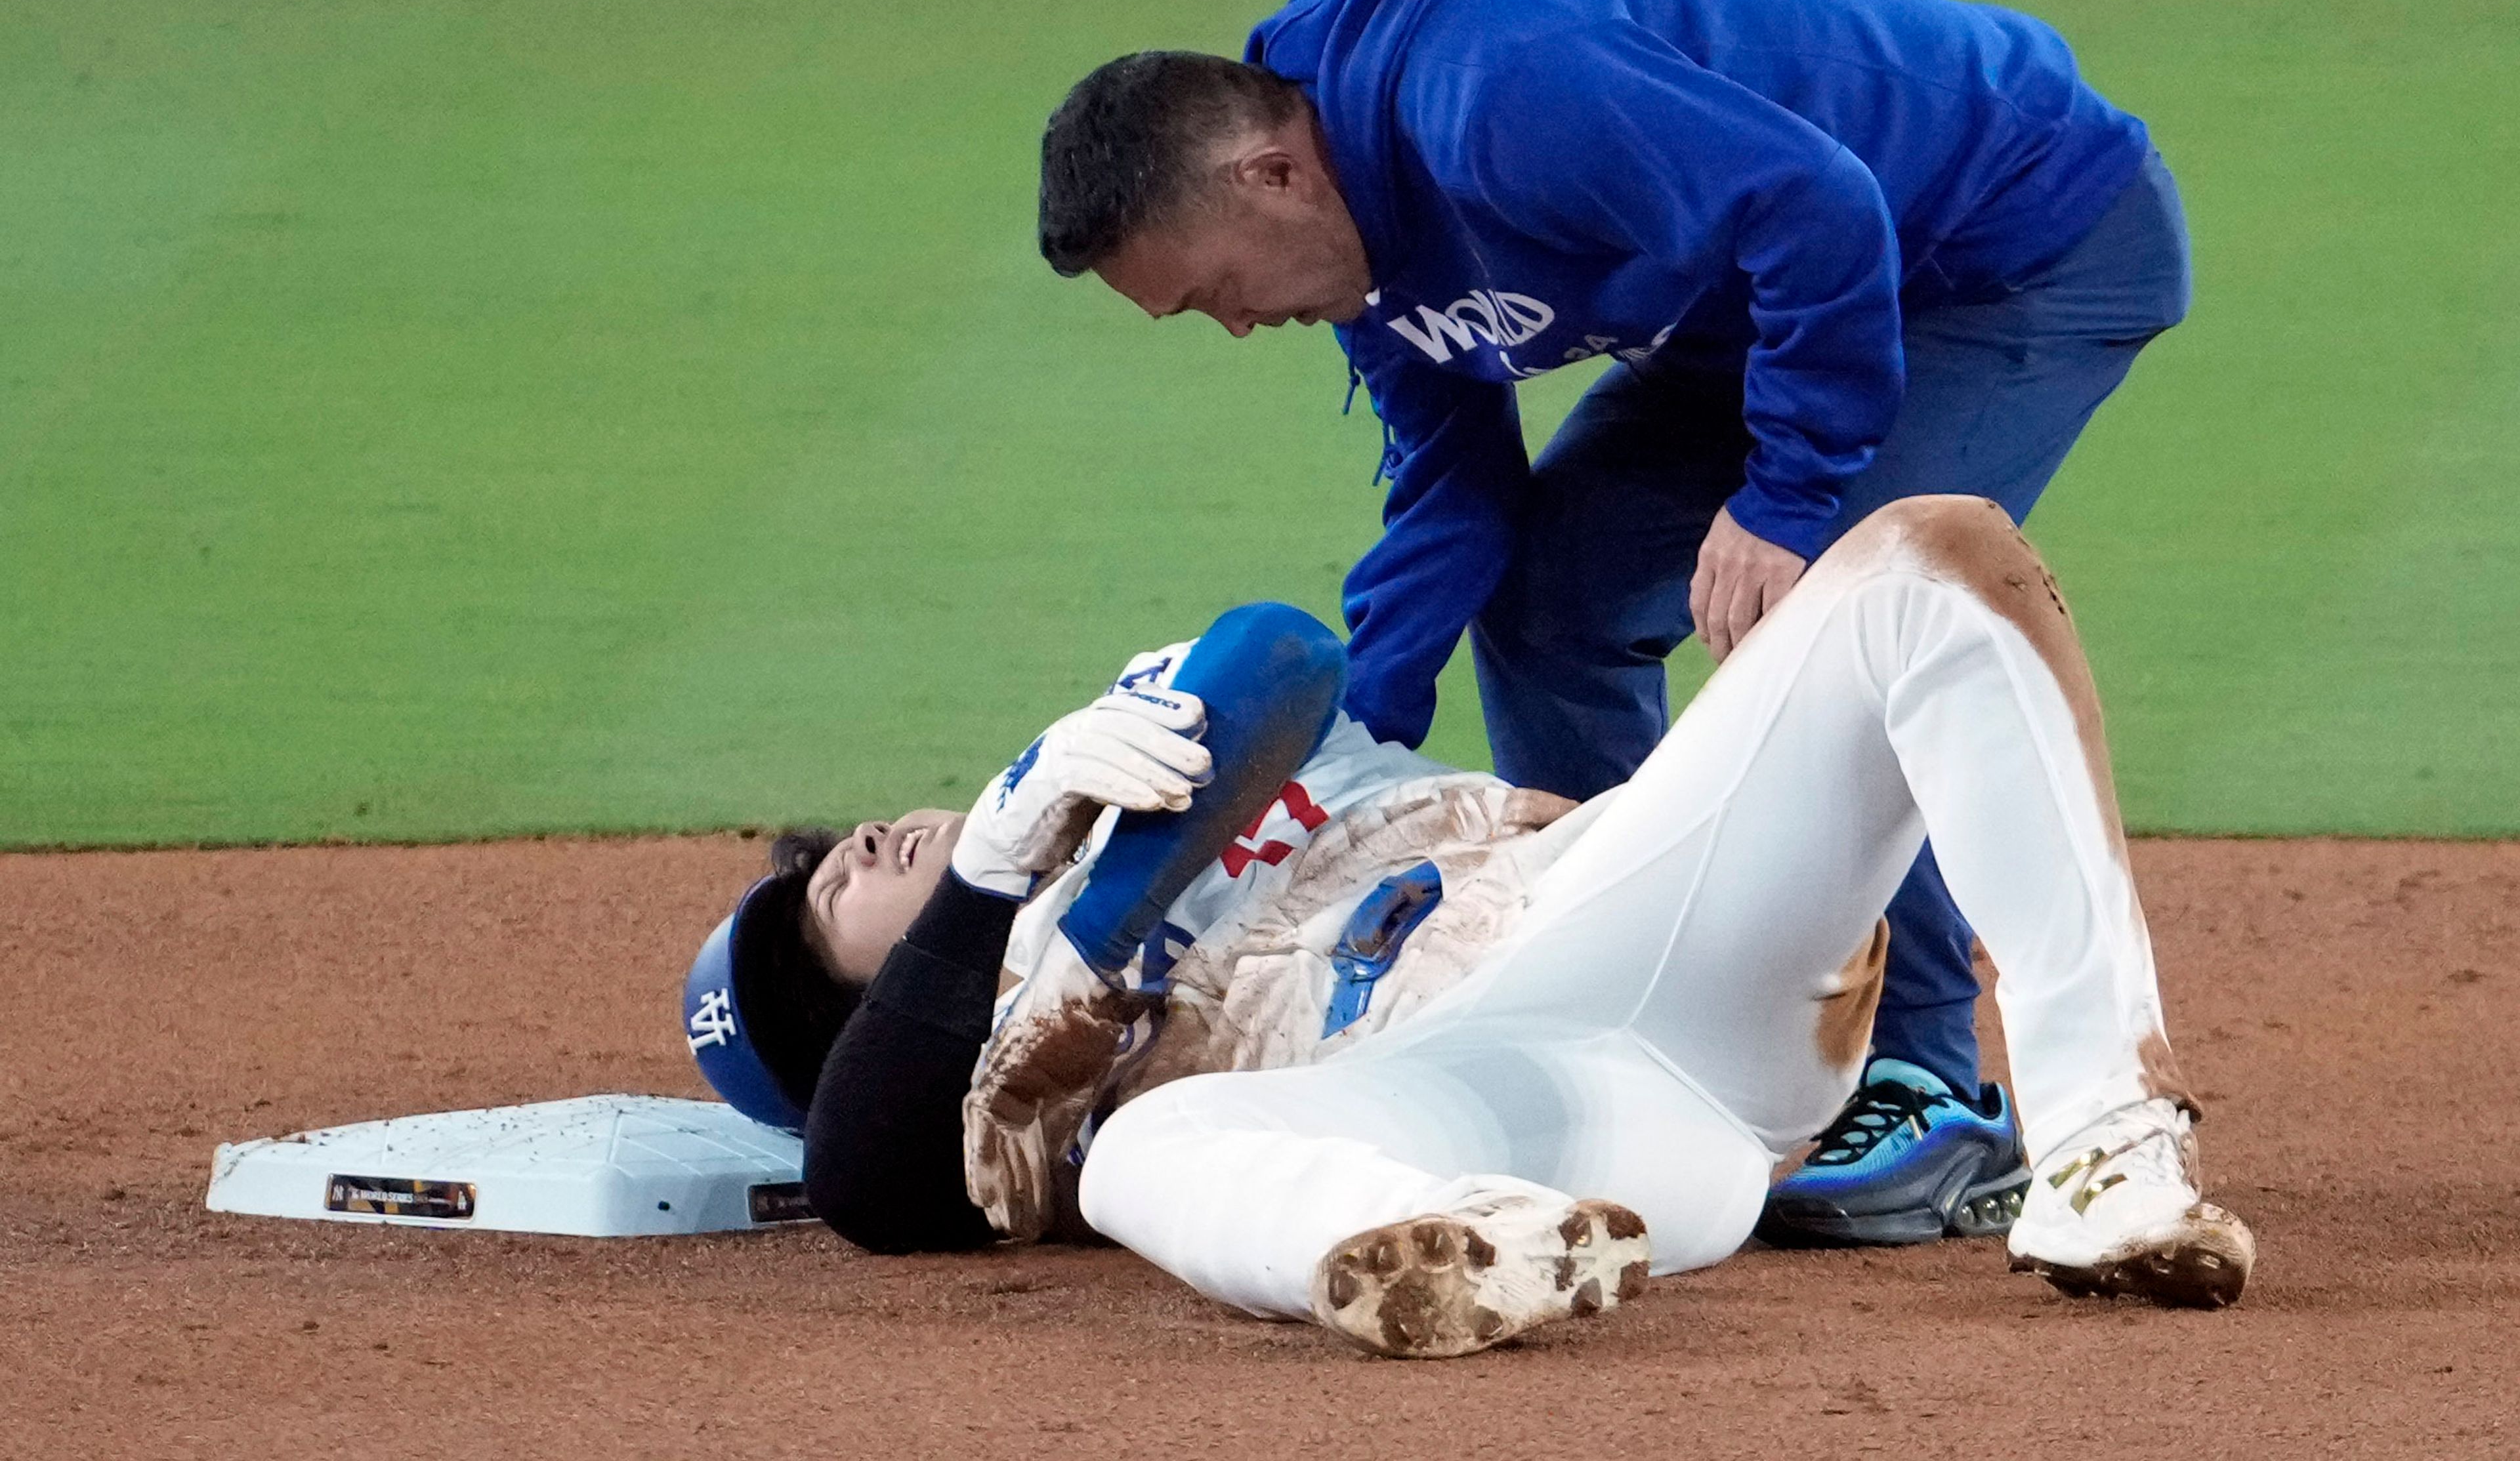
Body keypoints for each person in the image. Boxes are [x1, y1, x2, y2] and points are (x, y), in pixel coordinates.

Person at [1035, 0, 2195, 1247]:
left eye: (1216, 290)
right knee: (1547, 604)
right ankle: (1630, 998)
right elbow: (1456, 496)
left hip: (2005, 241)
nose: (1237, 325)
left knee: (1829, 617)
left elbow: (1821, 209)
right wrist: (1342, 746)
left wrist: (1782, 496)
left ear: (1270, 176)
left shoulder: (1498, 89)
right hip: (1764, 302)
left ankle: (1927, 1082)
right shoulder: (1361, 249)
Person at [681, 497, 2252, 1359]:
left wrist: (1065, 825)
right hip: (1500, 1123)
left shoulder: (1111, 755)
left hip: (1617, 923)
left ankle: (2110, 1147)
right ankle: (1438, 1252)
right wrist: (990, 894)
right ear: (872, 1011)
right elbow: (868, 1181)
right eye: (834, 900)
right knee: (1155, 1156)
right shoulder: (971, 1098)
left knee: (1931, 558)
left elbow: (1276, 658)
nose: (864, 845)